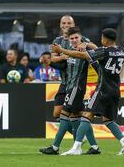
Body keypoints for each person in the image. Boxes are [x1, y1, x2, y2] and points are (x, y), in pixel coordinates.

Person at [51, 28, 124, 156]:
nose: (101, 40)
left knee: (85, 116)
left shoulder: (104, 52)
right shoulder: (121, 51)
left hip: (102, 90)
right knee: (108, 120)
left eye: (101, 38)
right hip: (115, 91)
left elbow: (82, 55)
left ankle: (76, 147)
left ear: (105, 39)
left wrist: (61, 50)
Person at [40, 27, 99, 155]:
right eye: (71, 38)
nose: (73, 40)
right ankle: (94, 147)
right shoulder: (71, 51)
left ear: (81, 38)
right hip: (70, 87)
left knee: (64, 115)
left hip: (77, 87)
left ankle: (55, 147)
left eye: (76, 38)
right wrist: (50, 61)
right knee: (78, 117)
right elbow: (62, 65)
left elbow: (97, 49)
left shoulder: (84, 49)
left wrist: (86, 44)